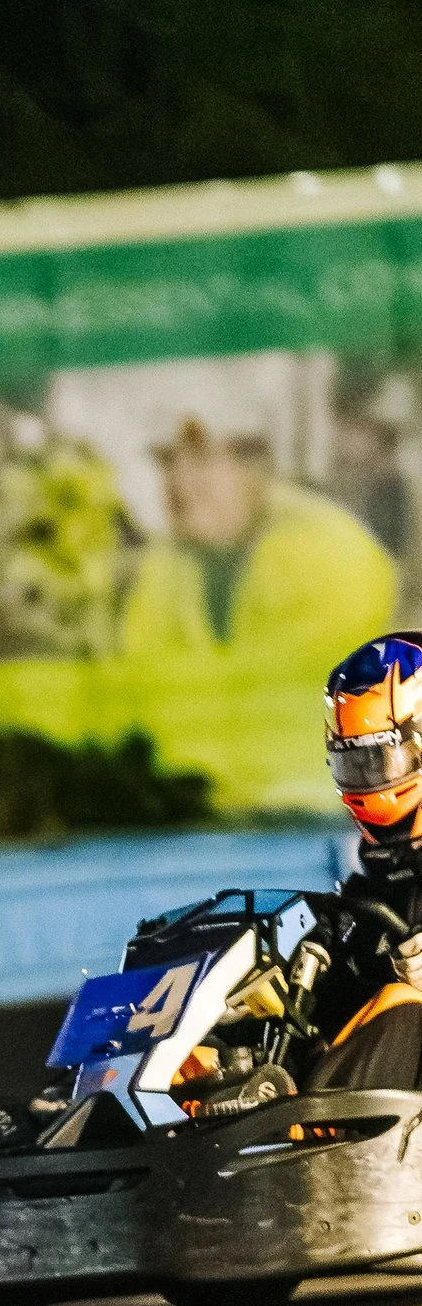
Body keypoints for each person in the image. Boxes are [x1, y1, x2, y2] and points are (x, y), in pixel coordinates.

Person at [119, 420, 397, 686]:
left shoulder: (329, 550)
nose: (179, 481)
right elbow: (143, 666)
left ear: (253, 466)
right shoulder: (166, 563)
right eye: (167, 461)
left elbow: (304, 682)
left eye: (201, 459)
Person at [313, 633, 422, 1090]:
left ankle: (308, 1132)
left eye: (380, 758)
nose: (366, 781)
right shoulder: (374, 889)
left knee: (401, 1007)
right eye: (354, 764)